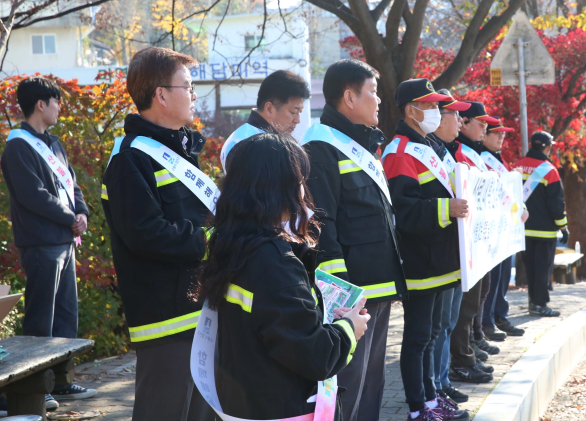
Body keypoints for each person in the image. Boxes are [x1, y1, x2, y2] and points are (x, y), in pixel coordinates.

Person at [198, 133, 369, 420]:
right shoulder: (274, 262)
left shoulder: (231, 245)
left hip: (248, 402)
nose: (304, 191)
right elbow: (316, 356)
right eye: (301, 181)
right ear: (280, 189)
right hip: (284, 406)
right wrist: (350, 328)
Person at [102, 47, 214, 421]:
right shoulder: (129, 158)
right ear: (161, 94)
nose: (194, 96)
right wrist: (210, 241)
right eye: (188, 87)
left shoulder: (180, 150)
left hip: (201, 312)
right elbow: (145, 234)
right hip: (166, 321)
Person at [301, 59, 406, 421]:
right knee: (349, 381)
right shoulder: (321, 147)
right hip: (352, 293)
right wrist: (340, 292)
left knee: (372, 381)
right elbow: (321, 226)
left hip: (378, 285)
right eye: (373, 93)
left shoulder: (359, 145)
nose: (378, 101)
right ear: (349, 97)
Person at [0, 76, 96, 408]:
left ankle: (63, 381)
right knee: (42, 317)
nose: (59, 108)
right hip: (41, 242)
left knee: (66, 314)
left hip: (65, 240)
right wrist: (71, 218)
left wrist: (81, 213)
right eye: (56, 102)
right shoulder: (18, 146)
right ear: (40, 104)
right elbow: (33, 196)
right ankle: (37, 389)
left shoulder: (55, 144)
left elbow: (73, 187)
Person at [382, 79, 469, 421]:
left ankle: (432, 400)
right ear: (410, 110)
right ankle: (418, 409)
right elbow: (402, 211)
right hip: (420, 261)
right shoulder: (400, 150)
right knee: (417, 338)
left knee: (431, 335)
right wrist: (446, 210)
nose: (435, 111)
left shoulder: (427, 146)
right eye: (430, 105)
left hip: (440, 258)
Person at [428, 91, 493, 404]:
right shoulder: (410, 151)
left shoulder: (446, 151)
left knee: (448, 322)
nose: (462, 121)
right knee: (432, 331)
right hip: (434, 261)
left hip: (460, 250)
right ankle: (436, 386)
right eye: (455, 114)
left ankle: (441, 383)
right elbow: (408, 207)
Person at [448, 103, 498, 385]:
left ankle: (470, 346)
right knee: (463, 307)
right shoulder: (456, 151)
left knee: (478, 297)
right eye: (481, 124)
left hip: (478, 239)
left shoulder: (472, 152)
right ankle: (462, 359)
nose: (486, 130)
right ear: (464, 123)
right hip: (462, 243)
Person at [513, 131, 568, 317]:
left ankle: (533, 302)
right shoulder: (549, 171)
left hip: (522, 229)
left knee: (531, 268)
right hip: (545, 232)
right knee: (543, 269)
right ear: (547, 146)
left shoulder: (516, 166)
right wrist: (563, 226)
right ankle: (540, 305)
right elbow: (556, 204)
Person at [480, 123, 526, 340]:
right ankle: (487, 322)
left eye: (503, 134)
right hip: (491, 230)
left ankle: (499, 315)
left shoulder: (498, 159)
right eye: (496, 133)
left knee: (502, 277)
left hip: (505, 229)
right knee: (492, 279)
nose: (501, 137)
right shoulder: (480, 157)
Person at [220, 69, 310, 170]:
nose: (298, 120)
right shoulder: (251, 144)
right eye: (293, 112)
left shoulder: (242, 136)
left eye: (300, 112)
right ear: (269, 109)